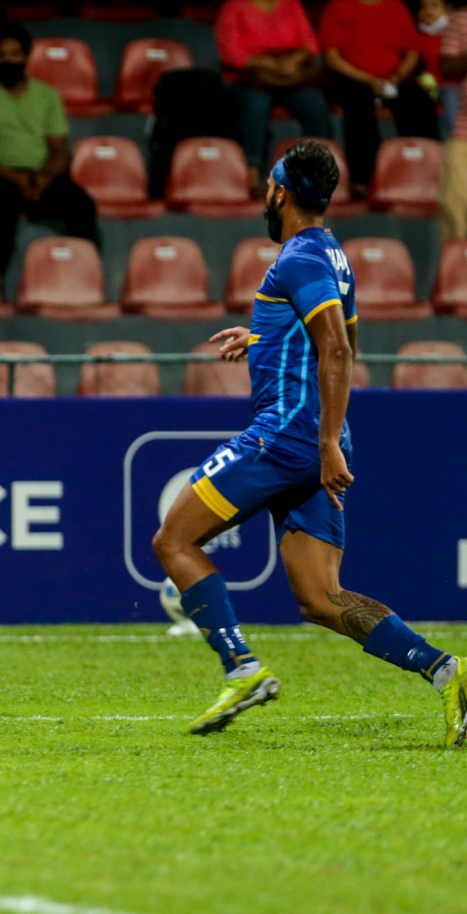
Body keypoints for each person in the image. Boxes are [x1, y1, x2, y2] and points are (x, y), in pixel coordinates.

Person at [151, 141, 466, 746]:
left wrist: (324, 444)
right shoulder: (332, 256)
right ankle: (446, 670)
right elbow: (336, 338)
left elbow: (338, 351)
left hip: (287, 437)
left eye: (268, 187)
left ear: (280, 192)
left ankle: (242, 667)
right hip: (313, 439)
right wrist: (265, 338)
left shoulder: (298, 258)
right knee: (322, 599)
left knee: (173, 539)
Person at [0, 23, 98, 277]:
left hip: (41, 174)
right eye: (1, 54)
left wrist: (45, 178)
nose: (7, 60)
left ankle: (84, 277)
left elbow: (59, 150)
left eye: (14, 54)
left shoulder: (48, 96)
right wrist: (16, 179)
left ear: (26, 57)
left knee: (83, 206)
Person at [319, 0, 439, 195]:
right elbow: (332, 57)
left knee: (418, 99)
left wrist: (397, 77)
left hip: (393, 77)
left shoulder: (396, 6)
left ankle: (428, 172)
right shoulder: (338, 8)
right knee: (358, 103)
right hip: (353, 79)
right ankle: (366, 179)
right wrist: (369, 80)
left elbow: (413, 51)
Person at [215, 0, 331, 193]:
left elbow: (309, 44)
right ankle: (254, 171)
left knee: (315, 105)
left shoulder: (291, 3)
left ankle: (313, 173)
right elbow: (232, 54)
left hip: (290, 77)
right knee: (256, 104)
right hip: (251, 79)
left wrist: (293, 61)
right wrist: (269, 64)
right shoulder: (232, 7)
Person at [440, 2, 467, 240]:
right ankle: (457, 271)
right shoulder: (460, 20)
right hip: (464, 134)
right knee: (454, 207)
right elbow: (447, 66)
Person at [417, 0, 459, 142]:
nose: (428, 10)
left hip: (454, 88)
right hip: (431, 90)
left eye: (434, 5)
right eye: (423, 6)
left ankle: (459, 143)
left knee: (452, 94)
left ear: (447, 10)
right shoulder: (418, 39)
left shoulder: (457, 35)